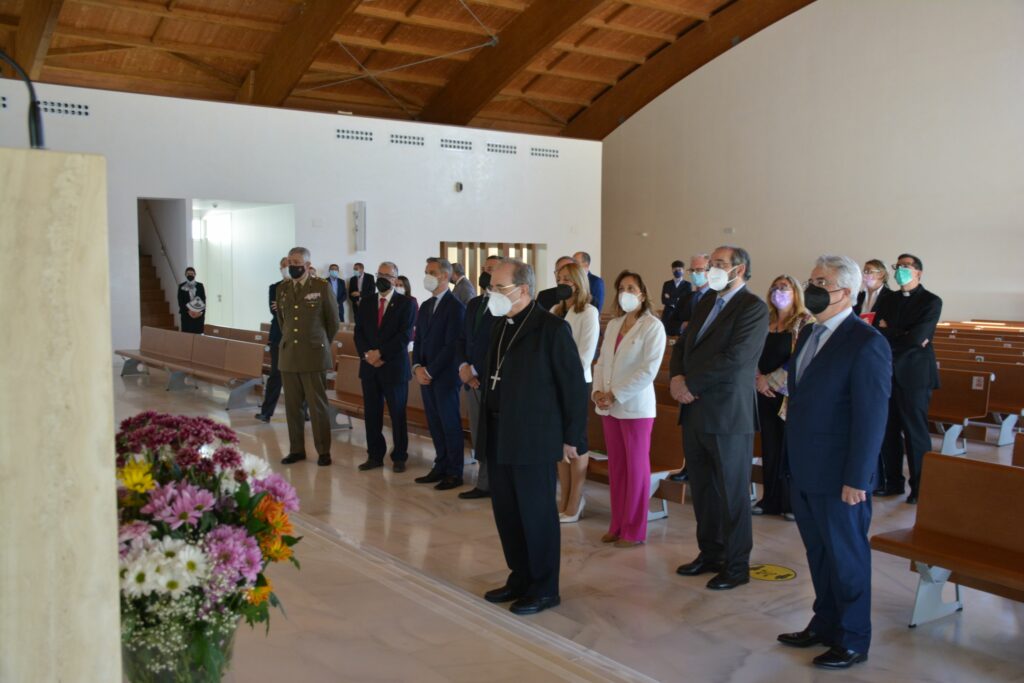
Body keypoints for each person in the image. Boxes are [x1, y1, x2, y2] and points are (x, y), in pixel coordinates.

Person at [778, 254, 891, 670]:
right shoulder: (810, 332)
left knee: (847, 558)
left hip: (841, 474)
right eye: (811, 280)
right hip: (806, 466)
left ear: (846, 291)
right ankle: (824, 623)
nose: (812, 288)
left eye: (821, 282)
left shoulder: (866, 342)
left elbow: (871, 417)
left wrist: (857, 477)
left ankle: (853, 638)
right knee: (820, 554)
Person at [479, 259, 588, 616]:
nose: (492, 294)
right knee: (507, 512)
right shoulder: (500, 324)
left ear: (523, 289)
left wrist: (572, 436)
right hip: (499, 432)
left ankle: (544, 588)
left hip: (534, 436)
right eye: (491, 287)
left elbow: (573, 387)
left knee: (536, 514)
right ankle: (520, 577)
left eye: (499, 287)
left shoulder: (551, 328)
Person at [670, 245, 768, 591]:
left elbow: (735, 358)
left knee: (732, 493)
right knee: (703, 490)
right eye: (710, 264)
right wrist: (676, 377)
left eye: (719, 264)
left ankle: (737, 565)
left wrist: (691, 384)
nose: (711, 269)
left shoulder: (753, 307)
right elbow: (683, 345)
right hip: (695, 410)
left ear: (739, 269)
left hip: (727, 414)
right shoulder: (706, 302)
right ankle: (710, 553)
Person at [592, 270, 666, 547]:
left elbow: (648, 370)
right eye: (621, 288)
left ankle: (634, 530)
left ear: (642, 294)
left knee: (636, 469)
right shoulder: (614, 324)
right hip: (608, 406)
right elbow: (601, 362)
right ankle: (617, 525)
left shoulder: (652, 326)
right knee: (617, 468)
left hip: (635, 407)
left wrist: (615, 394)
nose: (626, 292)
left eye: (631, 288)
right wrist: (597, 392)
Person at [873, 253, 942, 504]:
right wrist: (900, 334)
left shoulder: (931, 301)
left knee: (915, 433)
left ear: (918, 273)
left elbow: (918, 337)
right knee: (887, 430)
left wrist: (889, 330)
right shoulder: (887, 299)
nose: (900, 270)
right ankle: (893, 482)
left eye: (906, 266)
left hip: (915, 375)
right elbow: (875, 332)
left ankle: (921, 488)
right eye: (898, 266)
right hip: (887, 372)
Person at [753, 275, 813, 520]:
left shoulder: (805, 321)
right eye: (775, 287)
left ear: (796, 292)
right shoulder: (765, 320)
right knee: (770, 446)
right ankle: (770, 499)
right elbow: (752, 351)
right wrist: (758, 378)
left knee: (790, 448)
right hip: (763, 391)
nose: (778, 291)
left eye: (784, 288)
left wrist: (771, 381)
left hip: (788, 394)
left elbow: (801, 357)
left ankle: (791, 502)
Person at [276, 247, 339, 467]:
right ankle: (296, 450)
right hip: (289, 355)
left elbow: (333, 322)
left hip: (313, 356)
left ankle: (323, 451)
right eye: (290, 262)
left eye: (297, 262)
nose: (292, 266)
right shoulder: (282, 288)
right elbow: (282, 321)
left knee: (317, 407)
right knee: (292, 408)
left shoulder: (321, 287)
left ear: (307, 265)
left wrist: (319, 344)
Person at [354, 262, 416, 473]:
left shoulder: (406, 303)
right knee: (372, 414)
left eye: (387, 275)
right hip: (370, 367)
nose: (382, 278)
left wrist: (380, 353)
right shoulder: (367, 302)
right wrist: (368, 355)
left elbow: (404, 336)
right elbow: (359, 333)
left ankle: (399, 456)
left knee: (397, 415)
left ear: (395, 279)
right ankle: (374, 455)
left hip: (394, 368)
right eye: (379, 274)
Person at [412, 258, 467, 491]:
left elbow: (452, 345)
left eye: (431, 272)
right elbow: (418, 340)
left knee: (449, 424)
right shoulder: (426, 305)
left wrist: (430, 370)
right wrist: (417, 367)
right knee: (434, 423)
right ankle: (440, 464)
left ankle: (454, 471)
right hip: (426, 376)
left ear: (445, 275)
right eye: (426, 271)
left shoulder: (456, 307)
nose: (427, 276)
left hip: (444, 376)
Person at [550, 262, 599, 523]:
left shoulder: (588, 312)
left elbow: (585, 355)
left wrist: (561, 377)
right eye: (559, 278)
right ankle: (564, 498)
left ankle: (575, 501)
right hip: (553, 385)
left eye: (568, 279)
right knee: (559, 441)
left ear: (579, 283)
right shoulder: (555, 311)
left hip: (577, 383)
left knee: (576, 440)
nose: (562, 283)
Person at [456, 255, 504, 500]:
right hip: (470, 379)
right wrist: (464, 366)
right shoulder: (474, 303)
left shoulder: (504, 306)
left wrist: (476, 370)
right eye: (485, 269)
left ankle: (492, 483)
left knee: (493, 434)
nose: (486, 273)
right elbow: (463, 338)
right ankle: (483, 482)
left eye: (492, 269)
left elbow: (499, 346)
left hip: (491, 379)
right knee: (478, 431)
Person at [668, 252, 712, 484]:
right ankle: (687, 466)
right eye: (692, 270)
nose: (695, 274)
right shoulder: (687, 297)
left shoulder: (717, 299)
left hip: (704, 372)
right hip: (685, 359)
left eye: (699, 270)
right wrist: (682, 325)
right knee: (689, 426)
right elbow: (670, 321)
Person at [255, 257, 288, 423]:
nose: (286, 268)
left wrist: (282, 306)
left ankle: (303, 412)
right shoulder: (274, 287)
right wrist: (286, 307)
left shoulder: (304, 288)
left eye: (289, 265)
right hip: (278, 336)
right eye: (283, 266)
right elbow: (274, 310)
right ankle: (266, 412)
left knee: (300, 377)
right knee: (276, 374)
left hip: (298, 337)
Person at [660, 260, 692, 332]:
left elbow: (687, 301)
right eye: (675, 269)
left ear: (683, 270)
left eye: (679, 269)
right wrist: (678, 299)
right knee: (664, 333)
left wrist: (670, 298)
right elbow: (663, 300)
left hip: (681, 315)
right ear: (672, 270)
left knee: (679, 334)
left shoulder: (687, 285)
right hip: (667, 315)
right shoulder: (667, 284)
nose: (677, 271)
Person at [177, 267, 206, 334]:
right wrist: (189, 311)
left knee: (198, 334)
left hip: (198, 315)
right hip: (186, 315)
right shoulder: (181, 286)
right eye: (188, 274)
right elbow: (180, 301)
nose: (190, 275)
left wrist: (199, 312)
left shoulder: (200, 285)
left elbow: (203, 299)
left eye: (192, 273)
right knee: (187, 335)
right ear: (185, 275)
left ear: (195, 274)